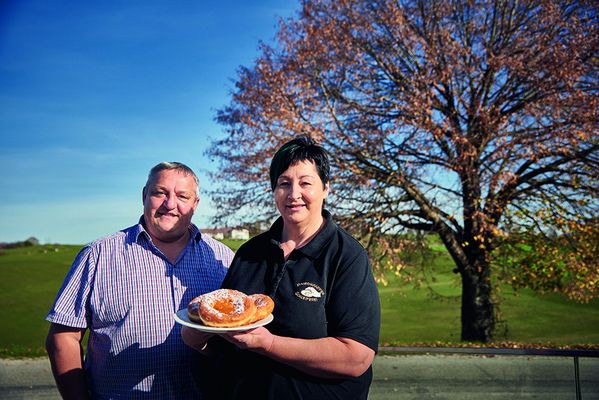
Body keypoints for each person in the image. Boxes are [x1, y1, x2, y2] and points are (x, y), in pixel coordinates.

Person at [182, 136, 381, 399]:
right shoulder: (250, 253)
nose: (294, 194)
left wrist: (270, 344)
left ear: (326, 188)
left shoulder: (346, 256)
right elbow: (227, 343)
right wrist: (201, 341)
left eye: (305, 183)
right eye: (284, 183)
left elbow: (356, 357)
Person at [45, 162, 234, 399]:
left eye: (182, 196)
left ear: (195, 204)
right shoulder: (98, 255)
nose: (170, 204)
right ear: (144, 195)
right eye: (159, 193)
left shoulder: (223, 258)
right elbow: (63, 337)